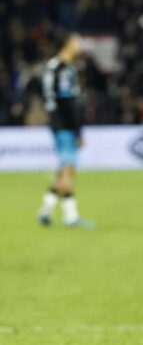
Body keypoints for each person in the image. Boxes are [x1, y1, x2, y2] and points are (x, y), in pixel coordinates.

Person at [36, 32, 94, 229]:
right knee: (68, 170)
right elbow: (67, 102)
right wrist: (78, 131)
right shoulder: (62, 69)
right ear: (67, 44)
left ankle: (46, 209)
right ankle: (70, 216)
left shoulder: (57, 67)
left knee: (64, 169)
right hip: (64, 125)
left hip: (59, 123)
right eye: (77, 42)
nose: (80, 45)